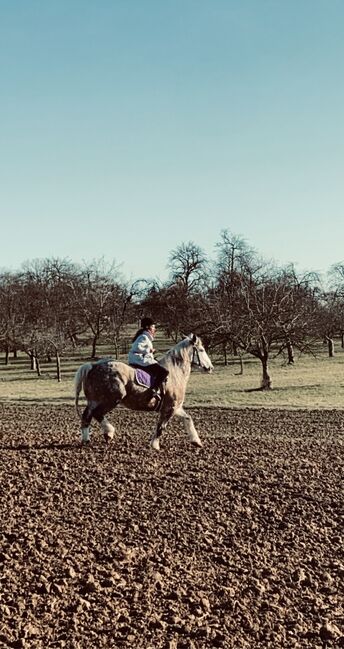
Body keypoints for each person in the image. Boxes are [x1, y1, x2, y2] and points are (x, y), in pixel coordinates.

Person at [128, 317, 169, 408]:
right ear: (148, 327)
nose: (155, 329)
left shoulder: (145, 336)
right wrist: (149, 350)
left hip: (141, 359)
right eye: (153, 327)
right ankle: (153, 390)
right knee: (164, 372)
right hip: (140, 360)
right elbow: (137, 347)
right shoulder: (144, 337)